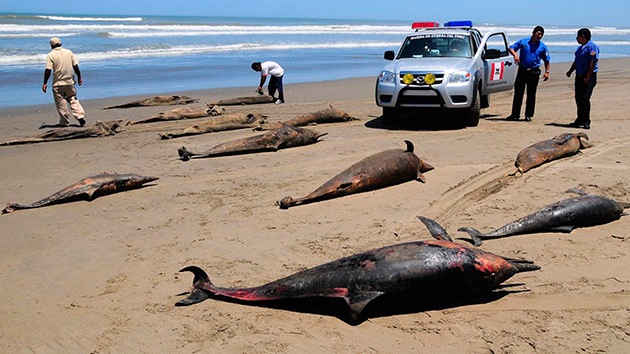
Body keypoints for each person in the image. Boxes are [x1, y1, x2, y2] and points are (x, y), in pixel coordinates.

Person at [506, 26, 551, 122]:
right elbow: (511, 48)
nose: (540, 36)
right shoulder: (524, 42)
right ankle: (515, 114)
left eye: (542, 34)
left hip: (534, 72)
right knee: (518, 93)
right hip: (522, 70)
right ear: (533, 33)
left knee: (531, 94)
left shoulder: (542, 46)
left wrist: (547, 72)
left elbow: (547, 60)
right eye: (538, 33)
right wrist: (515, 55)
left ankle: (528, 115)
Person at [42, 37, 86, 127]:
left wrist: (45, 83)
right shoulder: (69, 52)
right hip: (70, 82)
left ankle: (64, 121)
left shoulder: (50, 55)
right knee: (73, 99)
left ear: (51, 46)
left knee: (61, 103)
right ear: (61, 44)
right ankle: (79, 116)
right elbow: (75, 66)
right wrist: (79, 77)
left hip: (58, 83)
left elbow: (48, 70)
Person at [566, 28, 599, 130]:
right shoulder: (579, 49)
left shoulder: (592, 46)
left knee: (585, 98)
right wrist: (570, 71)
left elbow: (593, 62)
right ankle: (579, 119)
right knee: (578, 98)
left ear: (583, 36)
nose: (577, 39)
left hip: (589, 76)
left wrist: (588, 76)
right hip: (579, 76)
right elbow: (576, 62)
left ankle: (586, 120)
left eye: (578, 36)